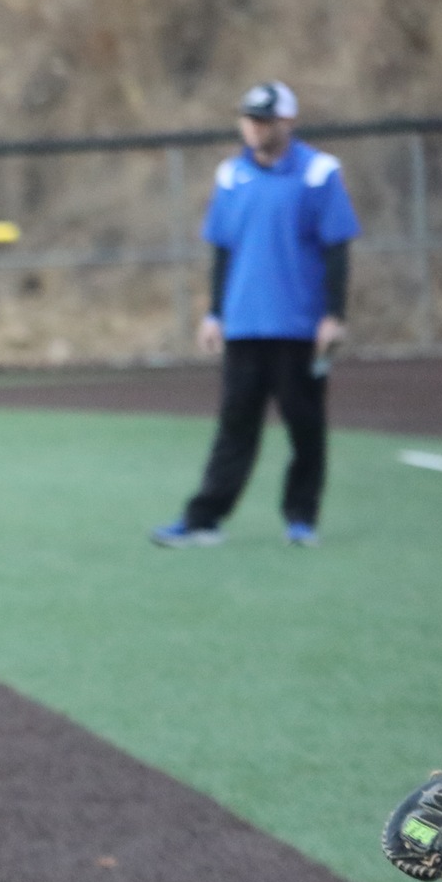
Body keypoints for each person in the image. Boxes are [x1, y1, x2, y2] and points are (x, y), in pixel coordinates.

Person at [151, 82, 360, 549]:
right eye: (249, 119)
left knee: (305, 425)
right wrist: (215, 312)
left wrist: (332, 314)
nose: (254, 128)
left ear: (288, 122)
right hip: (245, 323)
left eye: (264, 120)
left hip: (298, 325)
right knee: (235, 425)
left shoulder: (318, 173)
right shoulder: (231, 175)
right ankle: (204, 518)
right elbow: (223, 250)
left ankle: (301, 518)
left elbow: (336, 248)